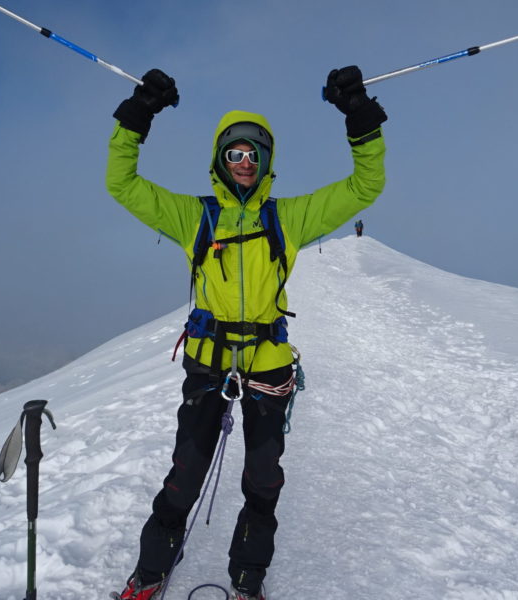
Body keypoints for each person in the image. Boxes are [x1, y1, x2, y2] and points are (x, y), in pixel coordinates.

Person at [105, 65, 386, 600]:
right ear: (219, 159)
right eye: (234, 153)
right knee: (185, 474)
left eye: (253, 155)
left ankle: (247, 579)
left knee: (263, 481)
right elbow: (121, 183)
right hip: (209, 362)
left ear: (266, 162)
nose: (243, 163)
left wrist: (360, 115)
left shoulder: (289, 218)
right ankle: (149, 573)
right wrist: (139, 111)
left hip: (269, 363)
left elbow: (365, 184)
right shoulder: (196, 219)